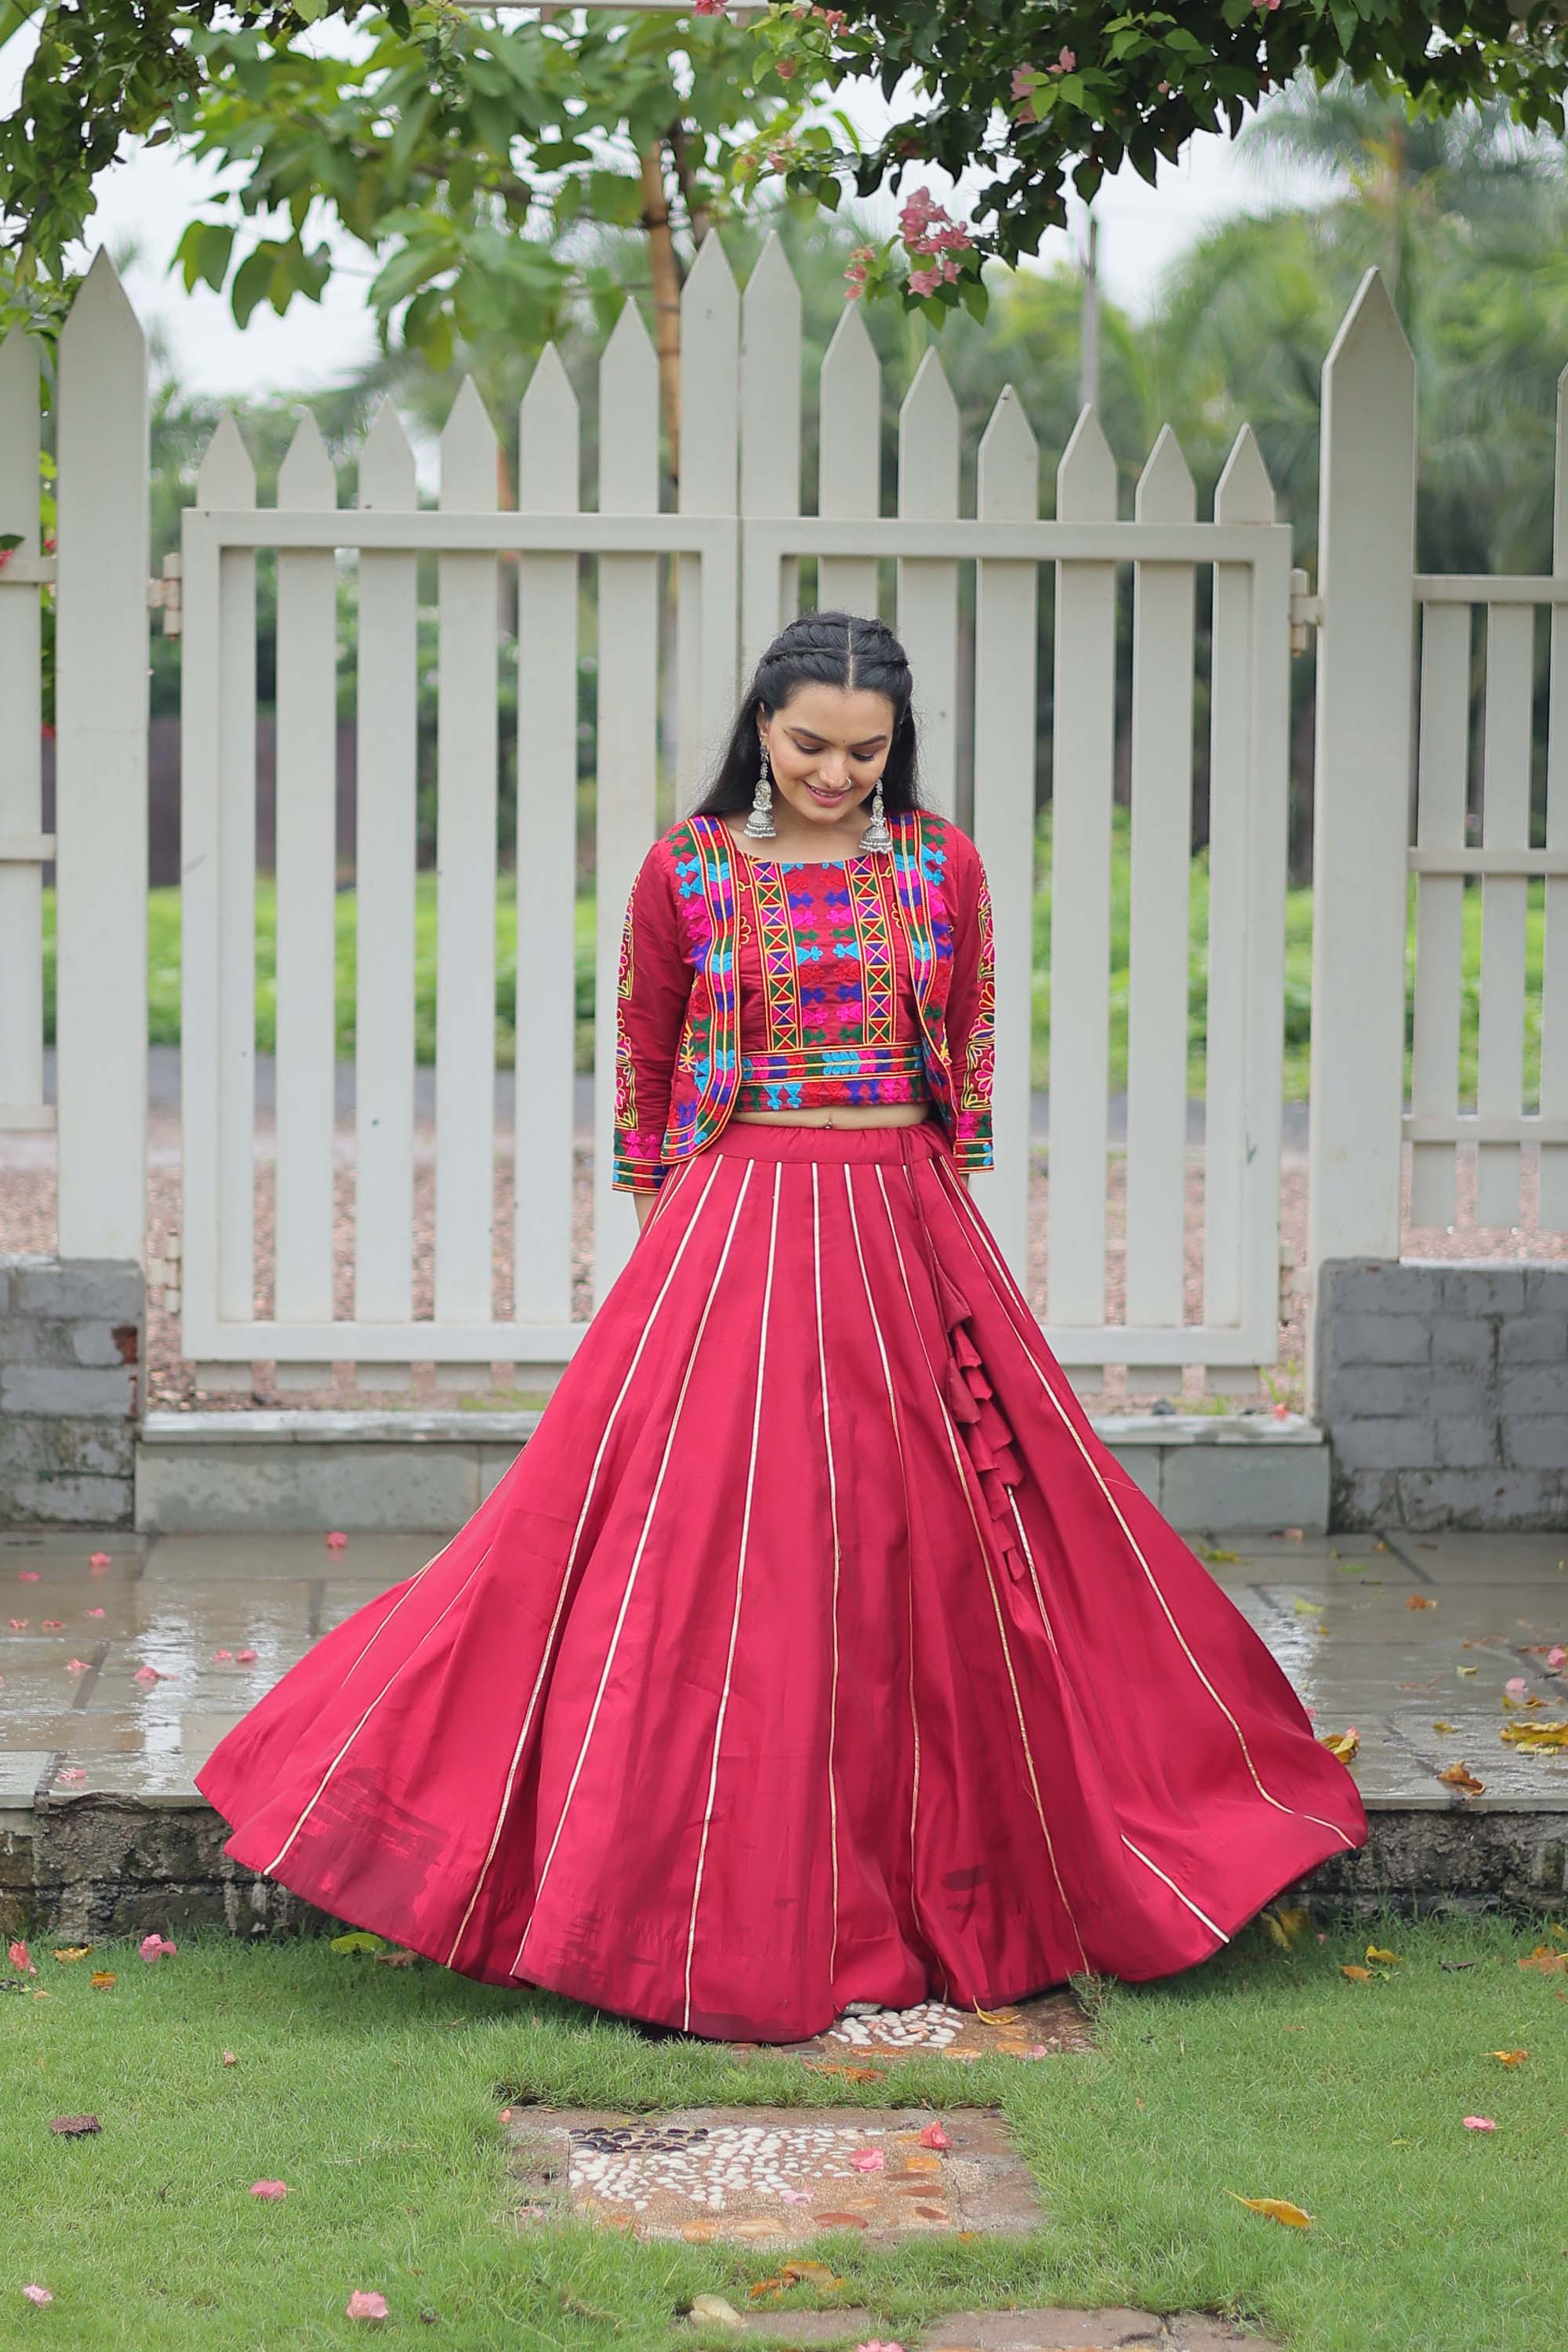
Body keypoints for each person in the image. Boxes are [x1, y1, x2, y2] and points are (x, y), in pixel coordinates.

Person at [195, 609, 1367, 2043]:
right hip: (734, 1218)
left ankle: (1007, 1866)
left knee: (945, 1547)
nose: (836, 773)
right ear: (761, 727)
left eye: (866, 752)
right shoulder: (688, 871)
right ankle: (650, 1889)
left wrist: (933, 1194)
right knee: (696, 1554)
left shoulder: (943, 866)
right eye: (810, 744)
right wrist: (661, 1223)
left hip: (904, 1220)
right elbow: (645, 1040)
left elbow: (970, 1035)